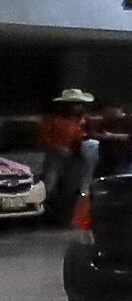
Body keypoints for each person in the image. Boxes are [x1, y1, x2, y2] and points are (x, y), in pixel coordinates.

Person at [34, 89, 91, 225]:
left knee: (71, 188)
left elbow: (86, 136)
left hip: (75, 157)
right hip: (55, 157)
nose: (78, 107)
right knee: (50, 187)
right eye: (75, 104)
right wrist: (58, 148)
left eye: (79, 104)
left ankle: (66, 218)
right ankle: (45, 217)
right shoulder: (52, 119)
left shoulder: (83, 120)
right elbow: (42, 138)